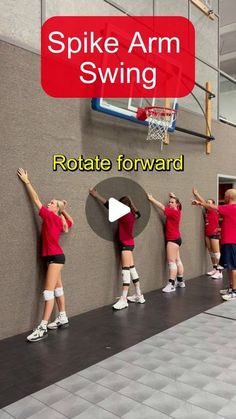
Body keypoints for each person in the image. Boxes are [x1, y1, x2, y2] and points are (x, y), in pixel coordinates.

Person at [17, 168, 73, 342]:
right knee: (58, 289)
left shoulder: (50, 216)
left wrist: (27, 181)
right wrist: (63, 209)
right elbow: (72, 222)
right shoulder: (59, 219)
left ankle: (43, 327)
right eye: (50, 202)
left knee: (48, 293)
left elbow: (35, 199)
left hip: (55, 258)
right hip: (55, 257)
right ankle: (62, 317)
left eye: (52, 203)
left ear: (55, 209)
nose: (49, 203)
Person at [89, 187, 145, 310]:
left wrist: (96, 194)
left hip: (125, 244)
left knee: (125, 271)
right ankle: (139, 295)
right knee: (131, 269)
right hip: (130, 243)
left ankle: (124, 299)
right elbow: (139, 214)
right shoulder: (131, 214)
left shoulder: (124, 213)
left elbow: (108, 204)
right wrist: (131, 202)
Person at [192, 188, 236, 300]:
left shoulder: (230, 207)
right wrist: (222, 230)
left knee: (233, 267)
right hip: (228, 241)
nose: (224, 197)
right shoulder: (231, 209)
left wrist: (199, 202)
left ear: (229, 197)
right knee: (230, 267)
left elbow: (212, 207)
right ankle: (231, 288)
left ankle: (234, 291)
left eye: (225, 195)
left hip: (231, 242)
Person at [147, 192, 184, 292]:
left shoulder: (172, 212)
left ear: (177, 204)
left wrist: (152, 199)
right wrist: (173, 196)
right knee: (178, 260)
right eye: (169, 202)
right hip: (177, 239)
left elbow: (162, 207)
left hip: (172, 240)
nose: (169, 204)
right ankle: (180, 281)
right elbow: (173, 204)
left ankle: (171, 284)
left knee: (172, 262)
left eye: (172, 202)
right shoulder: (178, 210)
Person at [192, 188, 222, 279]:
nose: (207, 204)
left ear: (213, 204)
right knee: (211, 252)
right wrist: (197, 194)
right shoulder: (207, 211)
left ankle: (220, 272)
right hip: (207, 233)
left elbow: (203, 203)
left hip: (214, 233)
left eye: (209, 202)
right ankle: (215, 268)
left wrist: (199, 202)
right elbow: (203, 202)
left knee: (217, 252)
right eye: (207, 202)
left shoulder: (214, 210)